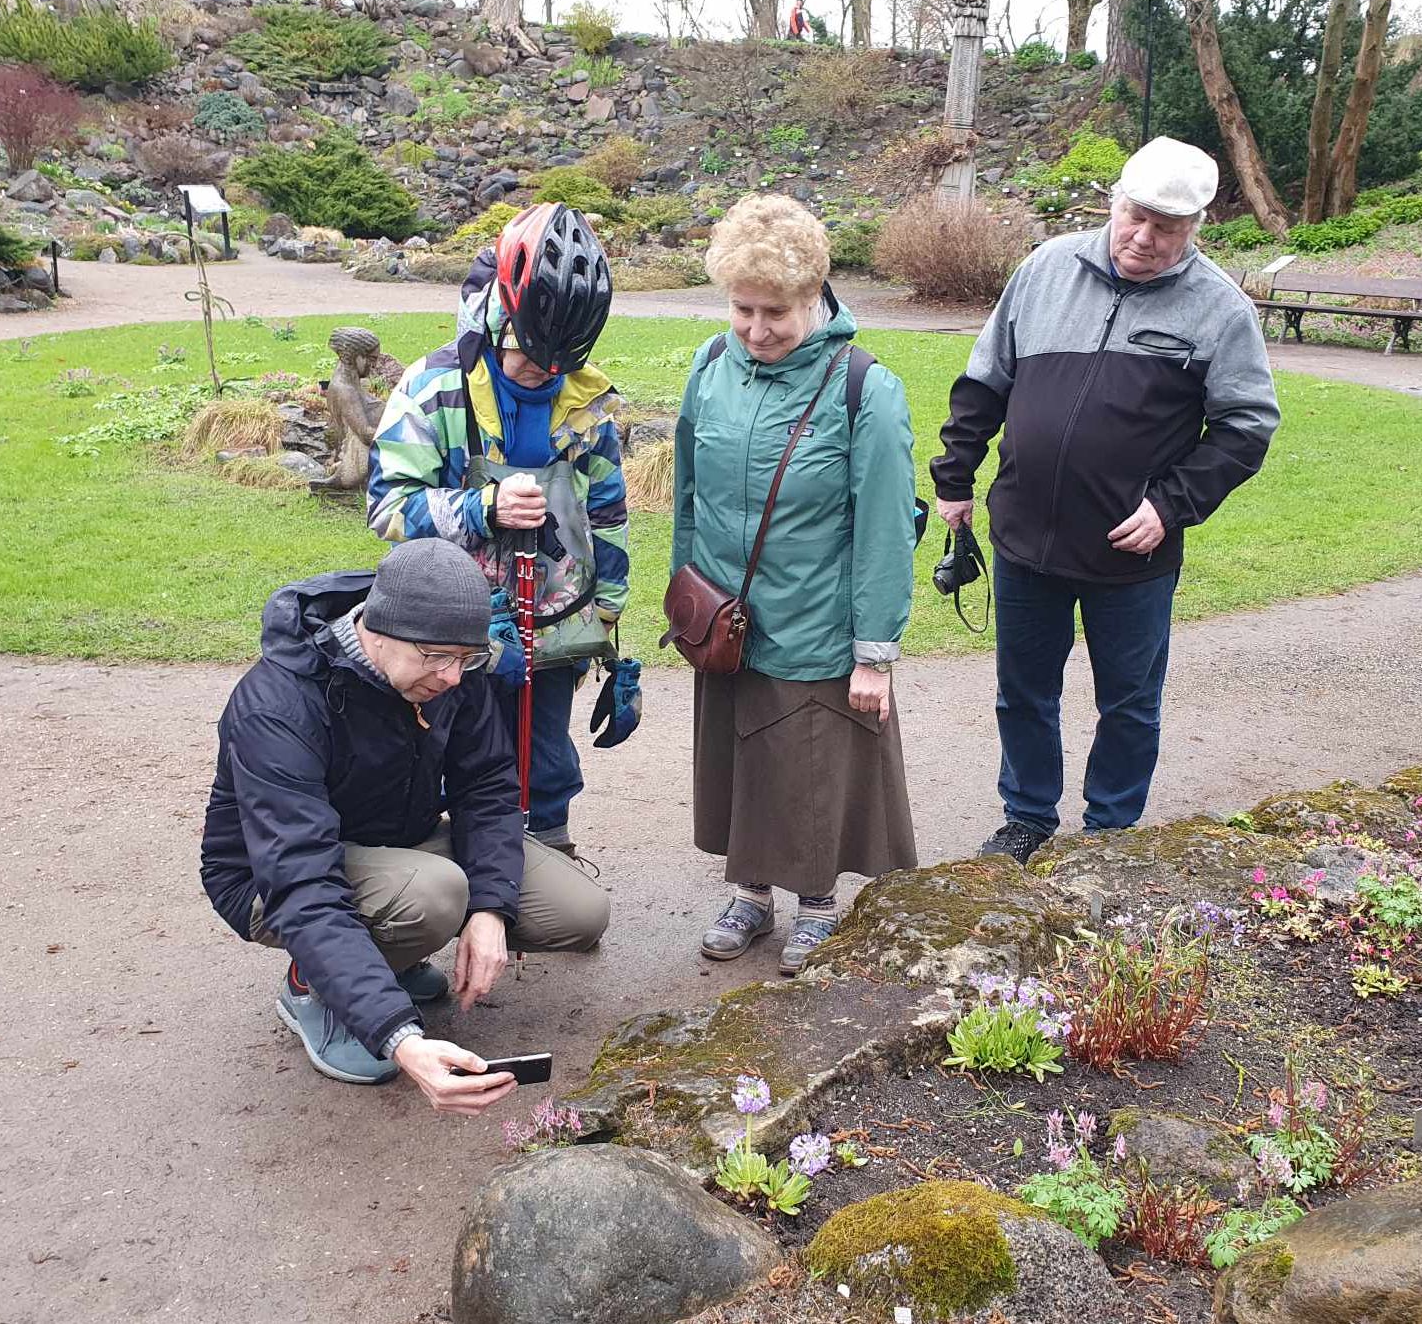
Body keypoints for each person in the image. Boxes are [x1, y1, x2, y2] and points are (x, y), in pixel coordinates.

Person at [928, 136, 1281, 865]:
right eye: (1135, 217)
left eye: (1167, 229)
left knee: (1127, 702)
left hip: (1133, 550)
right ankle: (1027, 816)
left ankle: (1110, 834)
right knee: (1023, 692)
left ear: (1195, 230)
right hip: (1025, 534)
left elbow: (1248, 426)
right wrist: (955, 479)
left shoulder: (1218, 308)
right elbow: (985, 379)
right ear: (1113, 203)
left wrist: (1172, 505)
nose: (1144, 239)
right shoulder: (1046, 268)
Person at [199, 541, 610, 1110]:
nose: (450, 678)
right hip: (269, 880)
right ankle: (315, 989)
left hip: (398, 842)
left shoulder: (451, 668)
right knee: (435, 895)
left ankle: (390, 953)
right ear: (377, 628)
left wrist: (490, 910)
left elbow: (487, 785)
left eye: (466, 659)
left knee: (579, 912)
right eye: (436, 658)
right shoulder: (277, 705)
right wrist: (400, 1037)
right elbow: (301, 881)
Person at [674, 193, 918, 974]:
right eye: (742, 309)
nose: (754, 329)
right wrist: (688, 602)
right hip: (729, 621)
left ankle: (817, 902)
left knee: (811, 770)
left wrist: (874, 650)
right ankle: (750, 894)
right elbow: (688, 492)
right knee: (740, 763)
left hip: (815, 621)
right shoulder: (711, 368)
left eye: (774, 311)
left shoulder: (864, 388)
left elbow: (883, 529)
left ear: (814, 295)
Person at [367, 202, 627, 859]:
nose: (545, 377)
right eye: (532, 363)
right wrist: (482, 507)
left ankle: (550, 865)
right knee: (460, 753)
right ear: (494, 322)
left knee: (547, 756)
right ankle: (466, 876)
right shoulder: (432, 390)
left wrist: (609, 605)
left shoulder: (589, 403)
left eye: (558, 367)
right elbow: (387, 508)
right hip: (456, 625)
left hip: (559, 617)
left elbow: (606, 510)